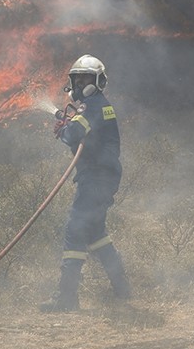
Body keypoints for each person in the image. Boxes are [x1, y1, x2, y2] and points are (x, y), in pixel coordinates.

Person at [40, 54, 131, 312]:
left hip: (95, 179)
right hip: (104, 177)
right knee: (96, 234)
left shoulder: (91, 105)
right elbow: (83, 131)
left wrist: (64, 130)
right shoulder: (98, 105)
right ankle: (123, 290)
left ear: (98, 81)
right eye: (77, 79)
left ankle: (66, 299)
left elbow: (73, 135)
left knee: (75, 231)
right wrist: (68, 125)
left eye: (85, 79)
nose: (79, 85)